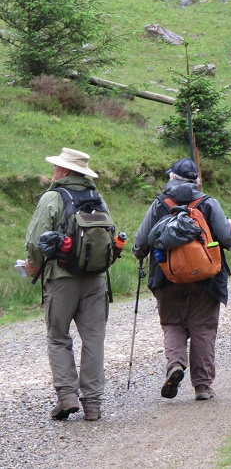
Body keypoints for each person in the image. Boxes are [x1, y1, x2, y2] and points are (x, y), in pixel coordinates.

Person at [133, 157, 231, 401]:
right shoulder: (208, 203)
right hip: (206, 279)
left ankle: (175, 366)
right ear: (196, 180)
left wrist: (140, 253)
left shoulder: (160, 204)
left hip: (168, 278)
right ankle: (202, 386)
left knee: (172, 324)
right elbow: (228, 241)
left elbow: (140, 244)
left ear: (172, 178)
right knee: (203, 328)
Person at [25, 148, 111, 422]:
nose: (53, 171)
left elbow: (35, 241)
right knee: (94, 339)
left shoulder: (52, 197)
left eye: (56, 167)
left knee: (58, 336)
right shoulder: (97, 198)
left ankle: (67, 396)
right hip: (96, 279)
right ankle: (93, 404)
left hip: (61, 279)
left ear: (64, 171)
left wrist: (32, 266)